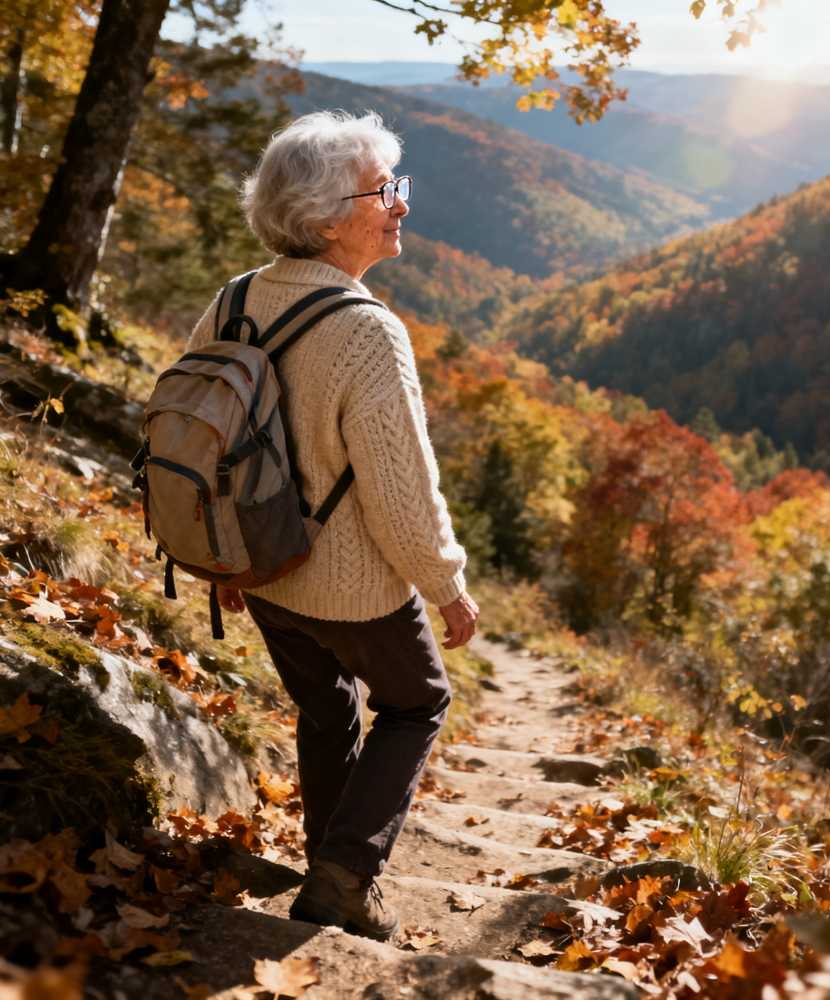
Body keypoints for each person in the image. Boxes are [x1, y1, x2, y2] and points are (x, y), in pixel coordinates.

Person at [184, 110, 478, 942]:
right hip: (351, 586)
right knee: (418, 703)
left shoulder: (235, 299)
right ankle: (345, 877)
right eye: (383, 191)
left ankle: (328, 867)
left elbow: (194, 434)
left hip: (265, 572)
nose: (402, 203)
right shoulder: (367, 331)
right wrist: (447, 586)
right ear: (323, 222)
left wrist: (223, 556)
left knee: (326, 715)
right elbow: (402, 491)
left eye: (398, 185)